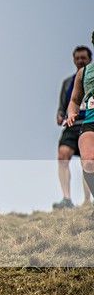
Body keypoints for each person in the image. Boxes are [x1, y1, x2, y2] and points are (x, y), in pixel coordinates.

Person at [54, 45, 92, 209]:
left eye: (83, 57)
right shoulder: (69, 82)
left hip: (88, 122)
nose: (80, 60)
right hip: (73, 124)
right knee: (63, 154)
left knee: (88, 160)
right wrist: (62, 114)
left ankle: (86, 200)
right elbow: (67, 103)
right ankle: (67, 199)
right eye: (77, 58)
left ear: (89, 58)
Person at [65, 31, 94, 219]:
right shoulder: (84, 73)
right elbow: (75, 99)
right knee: (89, 163)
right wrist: (71, 113)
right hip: (90, 122)